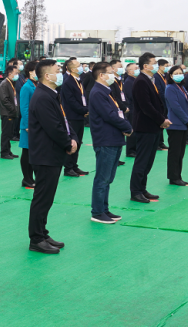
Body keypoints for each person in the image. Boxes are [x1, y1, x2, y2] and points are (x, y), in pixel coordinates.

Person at [27, 59, 76, 253]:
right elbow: (53, 127)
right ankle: (36, 239)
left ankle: (42, 232)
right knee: (42, 198)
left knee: (47, 198)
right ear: (47, 75)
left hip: (52, 154)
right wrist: (67, 143)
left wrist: (73, 138)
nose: (61, 73)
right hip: (45, 155)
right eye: (57, 70)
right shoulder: (42, 97)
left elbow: (63, 121)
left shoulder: (51, 94)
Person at [88, 62, 130, 224]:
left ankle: (104, 209)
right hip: (105, 139)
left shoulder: (106, 91)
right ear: (101, 75)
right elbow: (110, 115)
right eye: (110, 72)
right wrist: (127, 126)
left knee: (108, 178)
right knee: (102, 177)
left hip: (113, 138)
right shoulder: (98, 92)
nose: (114, 74)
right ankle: (97, 212)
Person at [130, 53, 169, 203]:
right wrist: (161, 119)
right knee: (142, 160)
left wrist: (162, 119)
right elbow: (146, 106)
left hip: (153, 126)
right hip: (145, 126)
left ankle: (142, 188)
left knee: (149, 160)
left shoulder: (149, 80)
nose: (156, 65)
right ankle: (135, 191)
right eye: (153, 63)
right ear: (145, 66)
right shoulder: (141, 81)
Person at [164, 65, 188, 186]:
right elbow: (175, 106)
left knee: (180, 152)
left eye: (180, 73)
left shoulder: (181, 87)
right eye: (175, 73)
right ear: (171, 75)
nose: (178, 75)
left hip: (183, 124)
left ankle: (178, 175)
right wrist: (187, 119)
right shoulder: (170, 88)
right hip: (175, 124)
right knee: (175, 152)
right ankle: (173, 177)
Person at [59, 58, 89, 177]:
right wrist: (83, 110)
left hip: (80, 115)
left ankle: (74, 165)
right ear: (72, 69)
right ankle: (68, 167)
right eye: (78, 65)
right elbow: (71, 101)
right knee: (72, 142)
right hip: (72, 116)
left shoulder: (79, 80)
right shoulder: (68, 82)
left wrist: (85, 110)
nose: (81, 67)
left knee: (79, 142)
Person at [18, 61, 38, 189]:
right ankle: (27, 178)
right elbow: (24, 107)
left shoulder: (36, 85)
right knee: (27, 152)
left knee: (33, 152)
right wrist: (27, 124)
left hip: (35, 124)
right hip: (28, 125)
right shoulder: (27, 87)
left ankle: (31, 177)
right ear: (30, 72)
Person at [0, 62, 20, 160]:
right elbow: (4, 100)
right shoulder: (4, 84)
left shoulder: (11, 83)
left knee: (9, 133)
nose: (17, 75)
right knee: (6, 134)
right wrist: (13, 109)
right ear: (10, 74)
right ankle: (4, 152)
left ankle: (8, 151)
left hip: (12, 112)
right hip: (7, 113)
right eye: (16, 73)